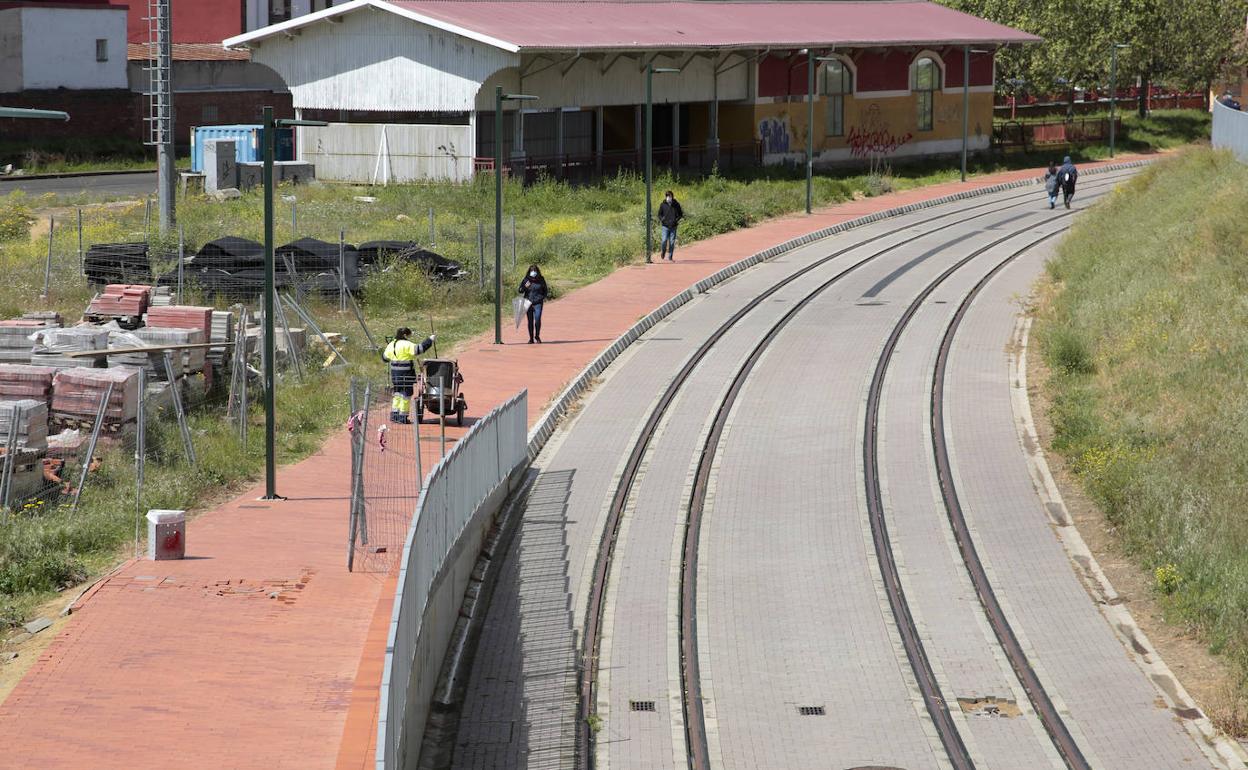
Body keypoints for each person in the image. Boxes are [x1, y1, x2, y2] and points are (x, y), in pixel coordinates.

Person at [381, 327, 435, 423]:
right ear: (405, 335)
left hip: (395, 376)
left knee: (397, 394)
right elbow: (420, 349)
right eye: (409, 335)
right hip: (406, 374)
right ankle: (403, 417)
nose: (410, 337)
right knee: (406, 395)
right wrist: (430, 340)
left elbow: (385, 358)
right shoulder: (406, 344)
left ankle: (395, 415)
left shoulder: (392, 344)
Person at [517, 264, 548, 344]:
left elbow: (545, 290)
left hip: (538, 303)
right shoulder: (526, 280)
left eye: (535, 271)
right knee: (530, 321)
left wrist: (542, 297)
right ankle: (531, 338)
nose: (533, 272)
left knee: (537, 319)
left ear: (537, 271)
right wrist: (524, 287)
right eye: (532, 271)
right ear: (529, 272)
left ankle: (537, 336)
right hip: (528, 302)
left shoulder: (541, 279)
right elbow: (520, 290)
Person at [657, 190, 684, 261]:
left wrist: (676, 220)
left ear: (672, 196)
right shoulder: (662, 204)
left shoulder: (676, 204)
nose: (668, 197)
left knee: (672, 242)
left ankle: (670, 256)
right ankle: (663, 252)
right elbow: (659, 214)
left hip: (673, 226)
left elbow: (680, 214)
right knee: (664, 240)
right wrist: (661, 219)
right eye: (667, 196)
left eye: (670, 196)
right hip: (665, 226)